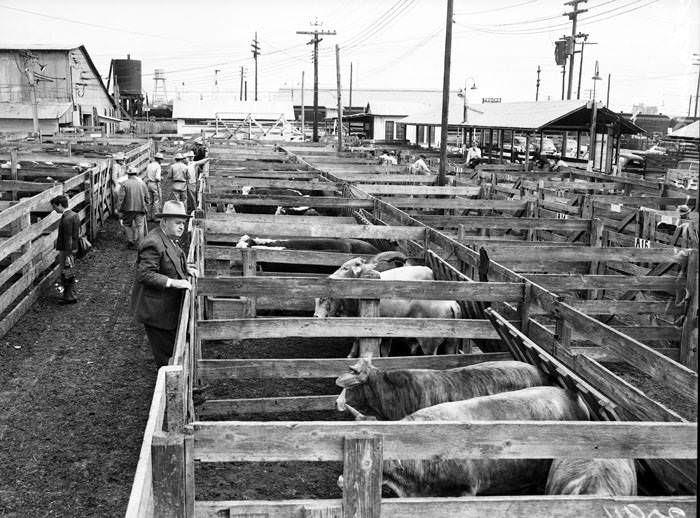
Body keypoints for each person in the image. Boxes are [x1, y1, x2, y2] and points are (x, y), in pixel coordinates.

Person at [131, 200, 198, 367]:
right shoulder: (153, 242)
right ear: (164, 222)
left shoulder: (167, 238)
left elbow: (171, 260)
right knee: (166, 355)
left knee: (172, 349)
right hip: (156, 312)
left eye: (183, 223)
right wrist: (175, 282)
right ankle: (169, 389)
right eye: (177, 223)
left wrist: (185, 268)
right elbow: (145, 274)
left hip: (165, 307)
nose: (182, 227)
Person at [51, 195, 80, 304]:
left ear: (59, 205)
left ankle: (69, 297)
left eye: (55, 207)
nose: (54, 209)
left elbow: (68, 237)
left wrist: (67, 254)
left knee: (66, 272)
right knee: (70, 272)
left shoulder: (66, 218)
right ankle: (71, 295)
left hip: (66, 250)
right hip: (72, 248)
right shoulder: (74, 214)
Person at [120, 166, 150, 249]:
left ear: (128, 175)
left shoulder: (124, 184)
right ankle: (141, 244)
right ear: (136, 174)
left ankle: (130, 241)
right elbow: (147, 197)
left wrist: (119, 209)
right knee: (140, 226)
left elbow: (121, 199)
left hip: (128, 209)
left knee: (127, 224)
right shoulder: (142, 183)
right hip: (140, 208)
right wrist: (146, 203)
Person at [144, 152, 164, 220]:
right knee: (156, 200)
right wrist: (161, 178)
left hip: (149, 183)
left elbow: (146, 175)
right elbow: (157, 177)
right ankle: (156, 217)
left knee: (149, 201)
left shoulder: (149, 165)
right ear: (159, 159)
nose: (161, 161)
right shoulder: (158, 166)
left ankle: (148, 216)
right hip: (155, 184)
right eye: (161, 159)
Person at [110, 152, 127, 216]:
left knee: (122, 199)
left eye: (123, 160)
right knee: (117, 199)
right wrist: (117, 184)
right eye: (122, 160)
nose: (123, 161)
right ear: (119, 160)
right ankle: (117, 213)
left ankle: (122, 212)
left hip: (121, 183)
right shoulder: (115, 166)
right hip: (117, 184)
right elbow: (114, 177)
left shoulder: (122, 165)